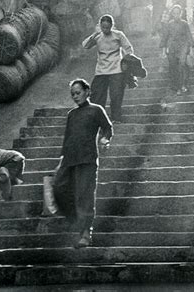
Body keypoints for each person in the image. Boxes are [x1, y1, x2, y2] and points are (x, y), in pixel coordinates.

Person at [53, 78, 113, 248]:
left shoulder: (96, 110)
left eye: (78, 93)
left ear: (87, 91)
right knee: (59, 187)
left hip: (87, 159)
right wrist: (61, 159)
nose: (75, 96)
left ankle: (86, 233)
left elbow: (107, 127)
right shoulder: (71, 114)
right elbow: (67, 138)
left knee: (84, 195)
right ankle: (76, 221)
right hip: (69, 159)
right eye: (73, 94)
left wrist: (104, 139)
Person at [82, 14, 133, 123]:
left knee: (116, 95)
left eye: (107, 27)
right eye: (103, 27)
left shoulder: (118, 35)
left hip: (116, 69)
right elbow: (85, 45)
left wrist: (126, 62)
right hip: (101, 70)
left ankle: (116, 118)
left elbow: (128, 49)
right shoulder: (98, 36)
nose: (105, 30)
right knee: (97, 96)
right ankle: (98, 119)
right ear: (100, 26)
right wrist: (95, 33)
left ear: (112, 26)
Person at [160, 4, 194, 96]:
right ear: (172, 14)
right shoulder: (169, 24)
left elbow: (189, 36)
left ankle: (183, 85)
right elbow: (165, 38)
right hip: (172, 48)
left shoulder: (184, 24)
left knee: (182, 65)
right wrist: (163, 51)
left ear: (181, 13)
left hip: (182, 47)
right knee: (173, 67)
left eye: (178, 13)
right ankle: (176, 87)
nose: (176, 15)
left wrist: (191, 49)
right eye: (174, 13)